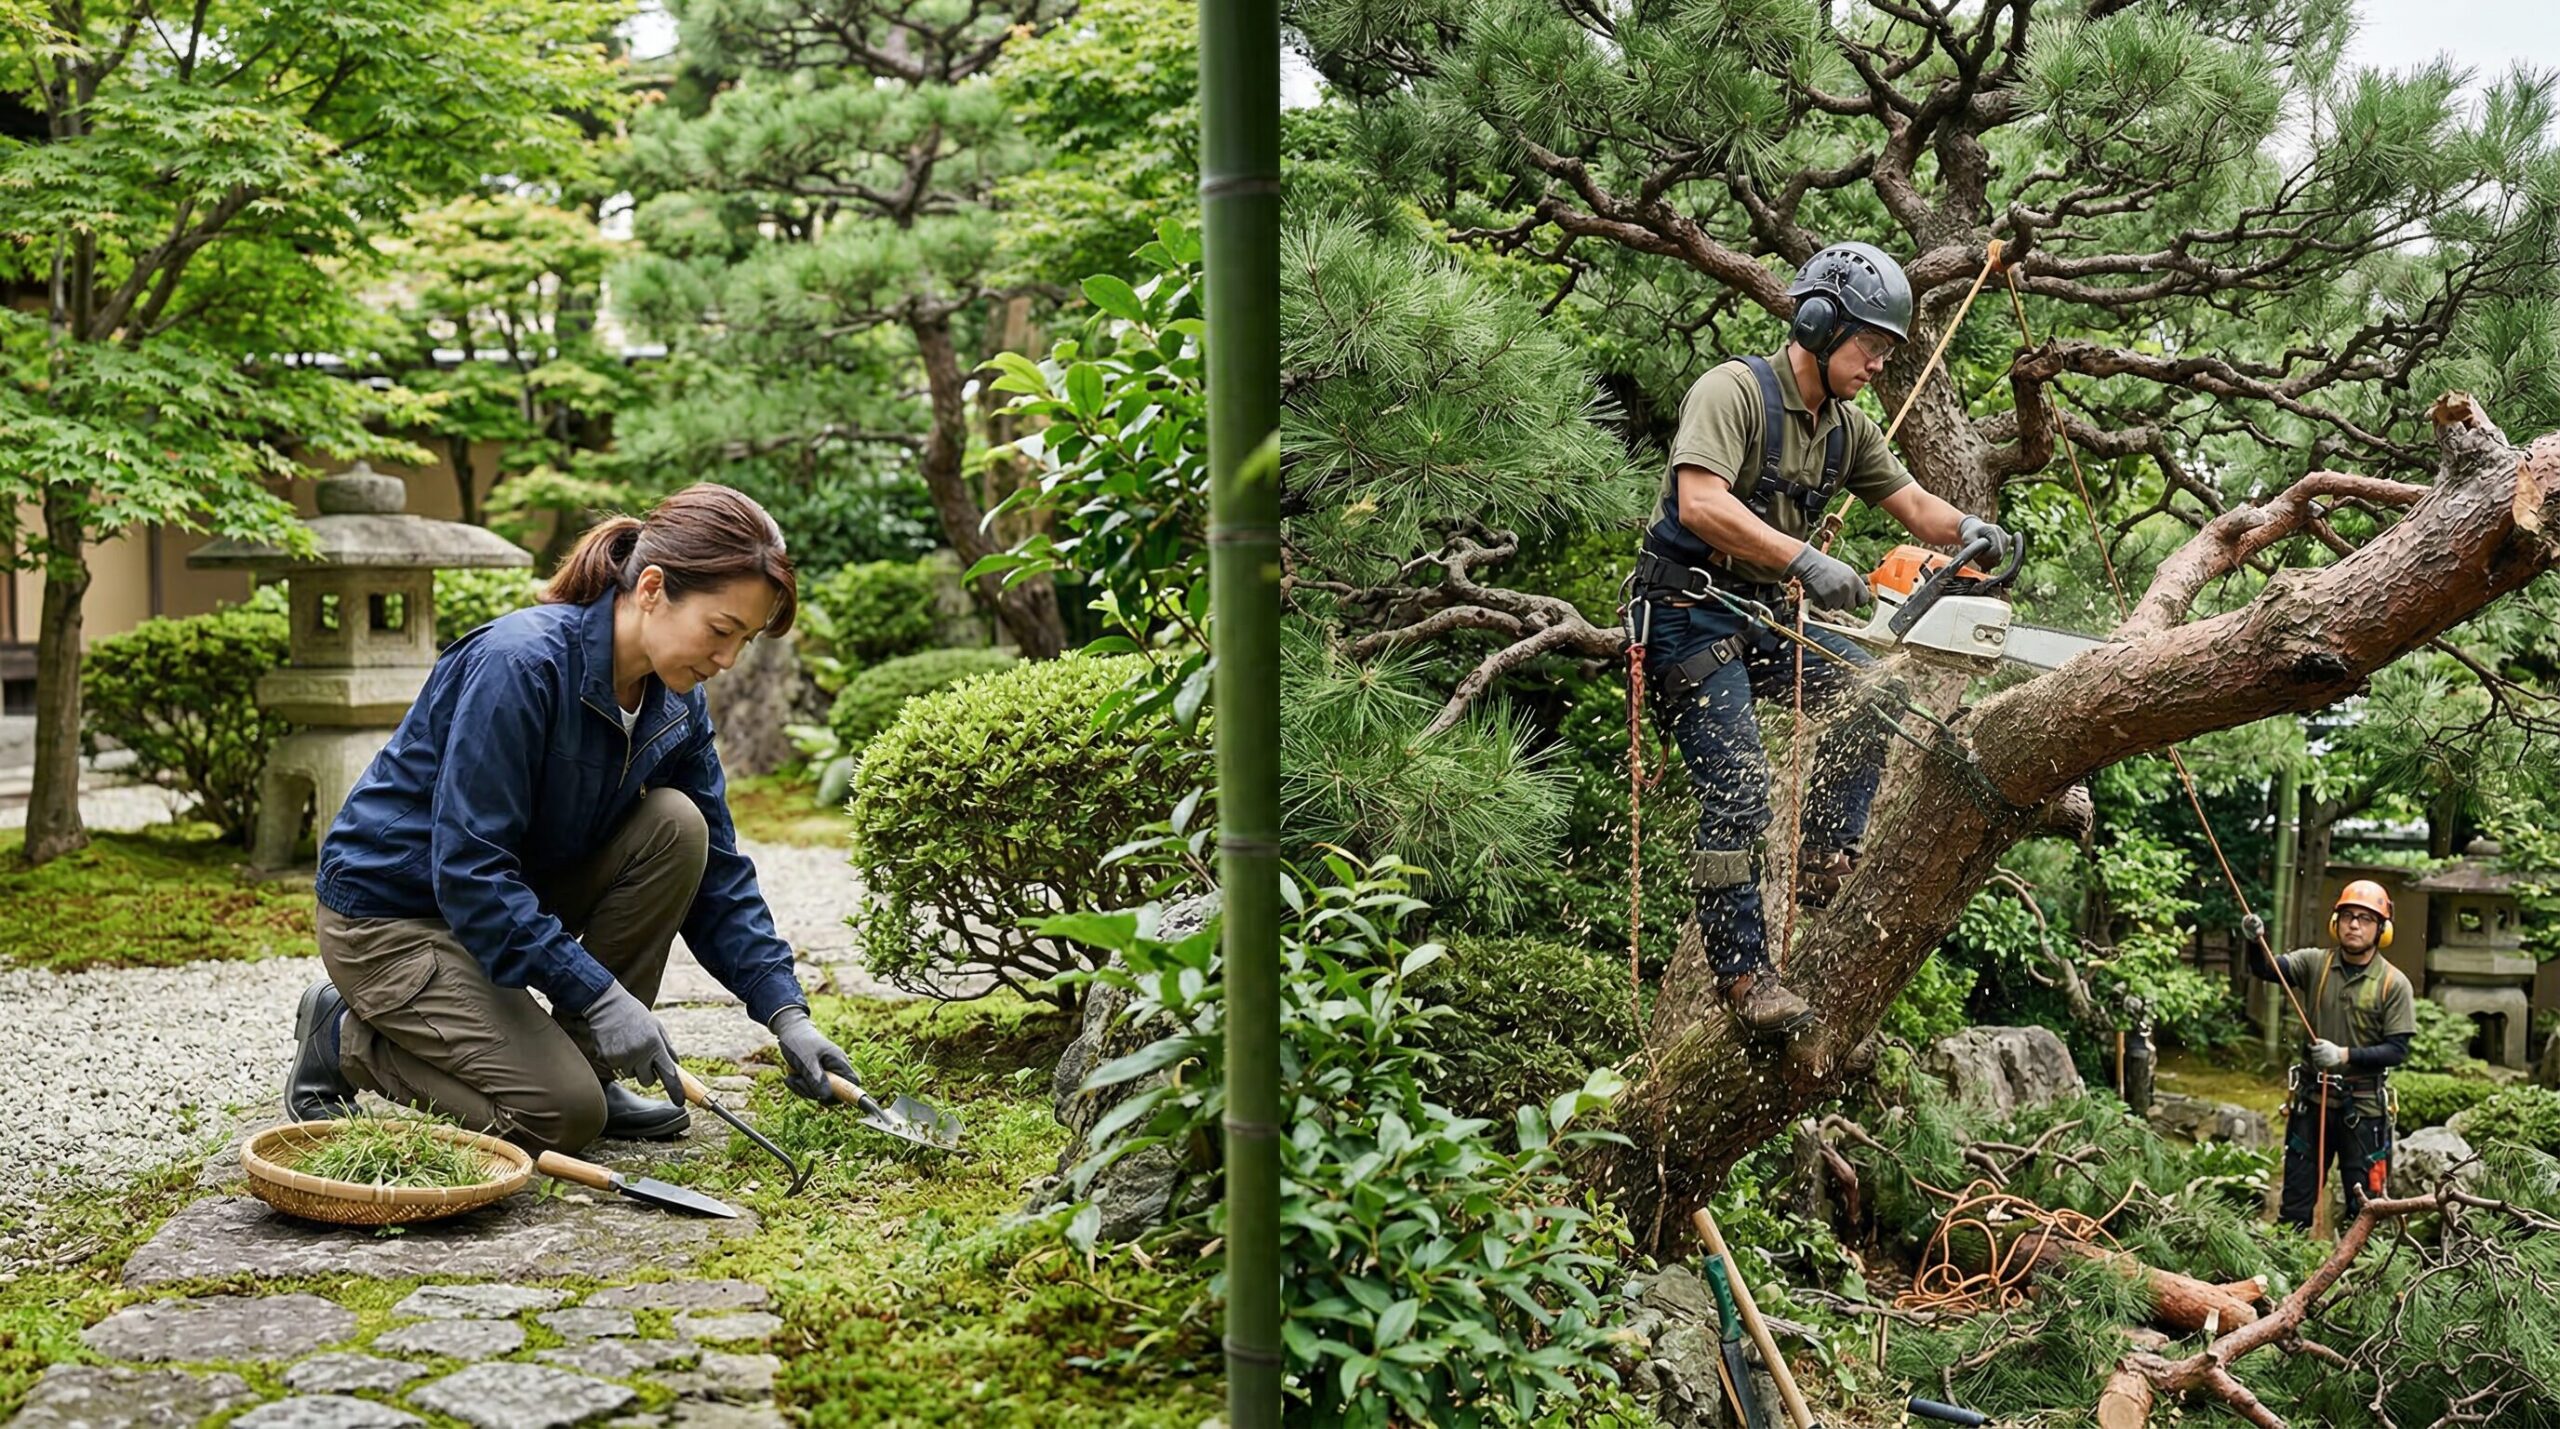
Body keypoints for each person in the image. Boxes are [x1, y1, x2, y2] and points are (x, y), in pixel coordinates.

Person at [284, 483, 859, 1154]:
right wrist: (601, 992)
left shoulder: (673, 703)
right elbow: (469, 871)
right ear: (651, 588)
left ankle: (591, 1062)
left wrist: (786, 1013)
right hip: (394, 919)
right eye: (721, 630)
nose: (727, 660)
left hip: (502, 902)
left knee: (679, 826)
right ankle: (345, 1036)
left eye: (746, 641)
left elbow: (719, 874)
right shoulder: (518, 666)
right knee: (563, 1119)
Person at [1632, 241, 2012, 1036]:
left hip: (1764, 611)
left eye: (1886, 350)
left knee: (1876, 689)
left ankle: (1824, 854)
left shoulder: (1848, 431)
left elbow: (1915, 506)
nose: (1877, 363)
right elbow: (1700, 502)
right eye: (1869, 345)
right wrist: (1806, 558)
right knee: (1737, 790)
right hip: (1687, 611)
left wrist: (1970, 529)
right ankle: (1743, 978)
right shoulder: (1732, 392)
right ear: (1817, 321)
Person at [2246, 882, 2415, 1230]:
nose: (2355, 925)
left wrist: (2343, 1054)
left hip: (2364, 1112)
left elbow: (2396, 1050)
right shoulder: (2315, 964)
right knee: (2295, 1205)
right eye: (2348, 916)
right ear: (2335, 922)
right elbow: (2266, 969)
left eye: (2366, 919)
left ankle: (2361, 1279)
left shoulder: (2393, 984)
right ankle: (2288, 1273)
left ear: (2381, 929)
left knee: (2365, 1210)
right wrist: (2253, 940)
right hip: (2313, 1102)